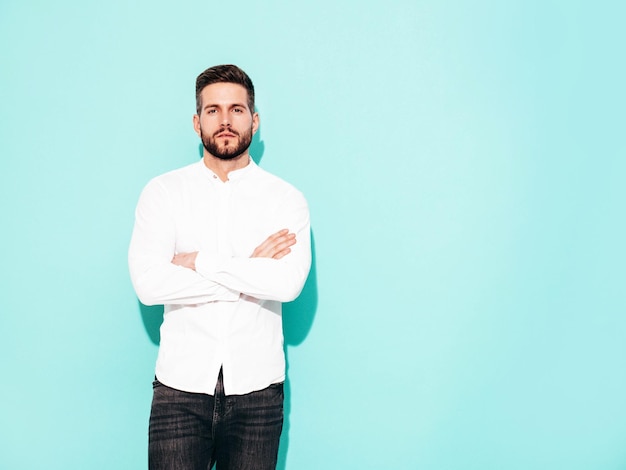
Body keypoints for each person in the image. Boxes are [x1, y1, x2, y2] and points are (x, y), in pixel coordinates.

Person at [128, 64, 311, 470]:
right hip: (179, 391)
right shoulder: (163, 193)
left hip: (258, 394)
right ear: (197, 122)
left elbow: (287, 284)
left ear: (254, 120)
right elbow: (149, 284)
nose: (225, 120)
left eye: (236, 110)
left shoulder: (285, 199)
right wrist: (248, 269)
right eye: (213, 110)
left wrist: (200, 263)